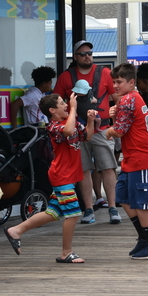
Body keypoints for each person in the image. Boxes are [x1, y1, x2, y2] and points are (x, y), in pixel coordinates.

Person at [4, 93, 95, 261]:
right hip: (62, 176)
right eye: (62, 103)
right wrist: (74, 108)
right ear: (52, 110)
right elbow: (67, 131)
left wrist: (89, 120)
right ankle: (66, 253)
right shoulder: (54, 126)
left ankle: (16, 230)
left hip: (68, 175)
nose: (66, 105)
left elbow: (87, 136)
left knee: (53, 212)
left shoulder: (70, 121)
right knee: (73, 214)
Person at [54, 41, 119, 225]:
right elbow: (54, 103)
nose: (87, 56)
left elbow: (118, 100)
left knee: (108, 167)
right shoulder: (66, 77)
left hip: (102, 130)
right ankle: (89, 209)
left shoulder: (105, 73)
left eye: (89, 53)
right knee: (83, 170)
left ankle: (113, 208)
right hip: (77, 131)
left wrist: (117, 125)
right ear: (75, 57)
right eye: (82, 54)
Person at [106, 63, 148, 259]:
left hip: (139, 157)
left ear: (131, 82)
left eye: (119, 82)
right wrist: (115, 118)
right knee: (122, 197)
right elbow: (125, 126)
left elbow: (119, 131)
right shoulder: (133, 98)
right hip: (133, 158)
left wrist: (107, 128)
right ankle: (144, 238)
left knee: (141, 204)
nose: (115, 85)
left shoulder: (127, 100)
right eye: (114, 82)